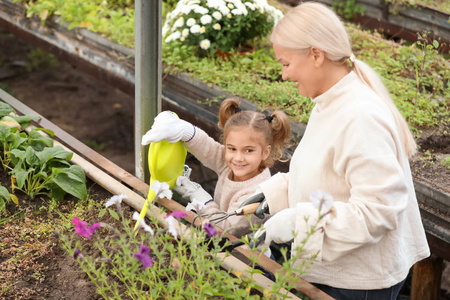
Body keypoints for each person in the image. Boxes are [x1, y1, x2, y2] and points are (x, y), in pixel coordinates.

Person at [256, 2, 430, 299]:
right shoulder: (330, 101)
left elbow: (378, 211)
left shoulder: (360, 116)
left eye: (285, 63)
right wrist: (272, 195)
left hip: (356, 283)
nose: (283, 74)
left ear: (315, 55)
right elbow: (326, 175)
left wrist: (298, 221)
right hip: (337, 273)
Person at [141, 98, 291, 237]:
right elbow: (208, 148)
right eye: (232, 148)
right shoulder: (231, 164)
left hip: (243, 258)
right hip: (213, 239)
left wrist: (200, 197)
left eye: (248, 150)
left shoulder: (258, 193)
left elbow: (226, 229)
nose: (238, 158)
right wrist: (184, 130)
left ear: (265, 152)